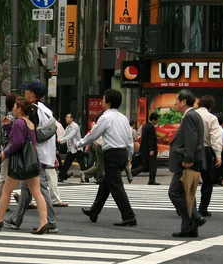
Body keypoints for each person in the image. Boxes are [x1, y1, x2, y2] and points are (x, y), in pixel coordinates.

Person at [0, 97, 49, 234]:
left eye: (15, 107)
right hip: (32, 163)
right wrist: (9, 127)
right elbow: (19, 140)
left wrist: (5, 153)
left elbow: (17, 143)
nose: (13, 109)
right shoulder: (30, 123)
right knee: (37, 193)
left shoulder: (19, 122)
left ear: (19, 109)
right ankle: (44, 221)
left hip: (20, 164)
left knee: (6, 191)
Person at [77, 89, 137, 227]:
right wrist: (128, 155)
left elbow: (94, 134)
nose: (102, 101)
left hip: (112, 154)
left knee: (116, 186)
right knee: (106, 183)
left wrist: (79, 143)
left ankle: (129, 216)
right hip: (122, 154)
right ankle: (94, 211)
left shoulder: (105, 118)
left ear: (108, 102)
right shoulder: (123, 118)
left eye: (103, 99)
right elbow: (129, 140)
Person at [5, 80, 58, 233]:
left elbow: (29, 134)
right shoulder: (46, 110)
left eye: (26, 91)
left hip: (35, 156)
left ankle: (51, 222)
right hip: (44, 153)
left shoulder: (33, 111)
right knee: (27, 188)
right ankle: (16, 219)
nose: (24, 93)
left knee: (40, 189)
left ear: (32, 94)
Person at [168, 89, 207, 237]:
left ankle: (195, 217)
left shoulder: (189, 116)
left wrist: (188, 159)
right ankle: (189, 229)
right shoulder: (194, 115)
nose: (175, 103)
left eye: (177, 100)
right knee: (188, 193)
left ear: (183, 102)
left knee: (174, 192)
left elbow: (191, 139)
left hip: (187, 162)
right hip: (192, 160)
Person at [195, 95, 223, 216]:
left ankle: (188, 207)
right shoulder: (212, 118)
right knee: (207, 181)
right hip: (206, 151)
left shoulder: (190, 115)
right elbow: (215, 137)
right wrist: (218, 154)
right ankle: (203, 208)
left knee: (190, 180)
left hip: (191, 150)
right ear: (210, 107)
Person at [131, 112, 160, 185]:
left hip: (144, 149)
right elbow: (151, 139)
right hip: (149, 150)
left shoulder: (146, 126)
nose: (157, 121)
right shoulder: (151, 127)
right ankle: (151, 179)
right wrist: (152, 149)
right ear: (154, 120)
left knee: (145, 164)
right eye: (157, 120)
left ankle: (133, 172)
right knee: (152, 165)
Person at [58, 113, 84, 182]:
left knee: (82, 164)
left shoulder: (75, 126)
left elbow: (70, 136)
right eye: (66, 117)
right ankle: (61, 176)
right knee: (66, 163)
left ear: (72, 119)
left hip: (77, 148)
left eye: (67, 117)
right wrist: (59, 138)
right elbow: (64, 134)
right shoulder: (68, 127)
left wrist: (61, 140)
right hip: (71, 149)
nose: (66, 118)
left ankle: (85, 177)